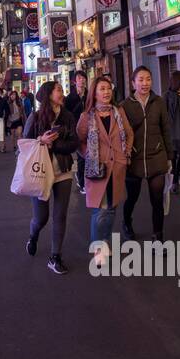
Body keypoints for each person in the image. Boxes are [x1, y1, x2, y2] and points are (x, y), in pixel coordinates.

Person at [24, 80, 81, 274]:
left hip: (63, 171)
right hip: (40, 172)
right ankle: (33, 235)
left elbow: (74, 143)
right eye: (58, 90)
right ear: (48, 94)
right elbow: (24, 145)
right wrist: (41, 140)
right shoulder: (36, 116)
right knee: (41, 217)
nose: (61, 93)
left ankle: (55, 256)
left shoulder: (68, 116)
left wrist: (54, 145)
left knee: (60, 215)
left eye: (61, 90)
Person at [76, 75, 132, 262]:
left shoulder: (119, 112)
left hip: (117, 167)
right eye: (102, 89)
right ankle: (98, 249)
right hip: (97, 169)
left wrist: (125, 156)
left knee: (112, 207)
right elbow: (79, 140)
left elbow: (129, 134)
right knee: (100, 210)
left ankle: (105, 244)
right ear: (95, 93)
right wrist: (90, 156)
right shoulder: (87, 116)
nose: (106, 92)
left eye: (108, 88)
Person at [120, 66, 173, 241]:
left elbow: (166, 129)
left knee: (157, 199)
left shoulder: (158, 101)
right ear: (133, 82)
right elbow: (121, 134)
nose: (145, 83)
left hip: (156, 156)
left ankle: (158, 236)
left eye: (148, 79)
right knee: (132, 197)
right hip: (133, 159)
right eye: (141, 79)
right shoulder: (125, 105)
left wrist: (169, 157)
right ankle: (127, 222)